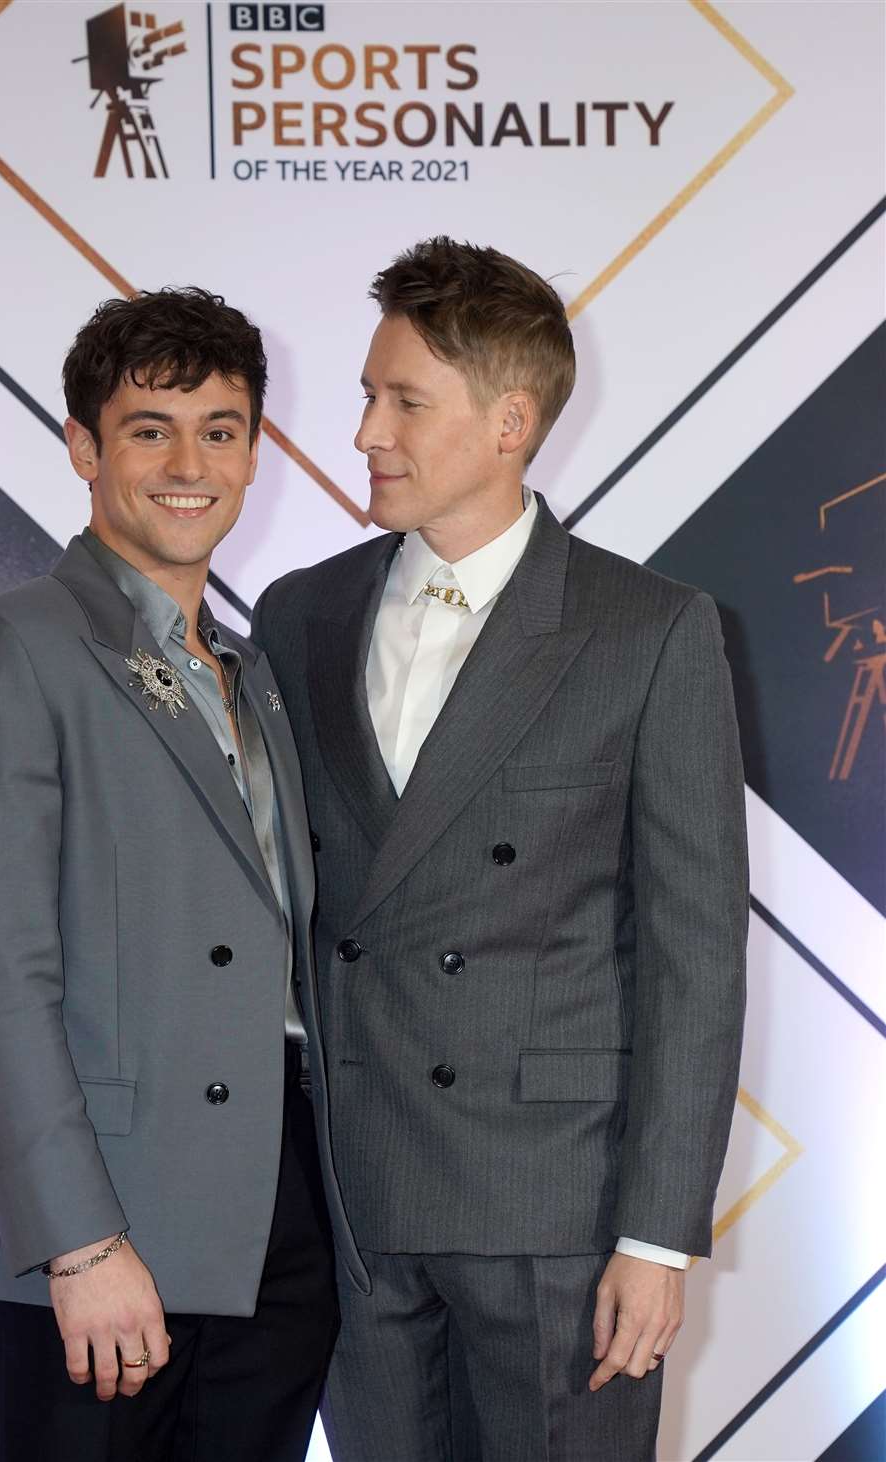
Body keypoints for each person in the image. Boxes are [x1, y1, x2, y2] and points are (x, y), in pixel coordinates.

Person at [251, 238, 749, 1461]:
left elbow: (693, 955)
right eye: (369, 394)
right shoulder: (298, 611)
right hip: (357, 1201)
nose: (365, 430)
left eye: (404, 401)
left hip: (555, 1210)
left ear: (513, 419)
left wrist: (656, 1238)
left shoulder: (650, 628)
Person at [0, 287, 352, 1461]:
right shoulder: (12, 649)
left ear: (255, 452)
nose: (189, 462)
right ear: (83, 447)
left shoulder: (252, 672)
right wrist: (79, 1243)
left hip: (277, 1219)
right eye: (149, 427)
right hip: (107, 1225)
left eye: (219, 429)